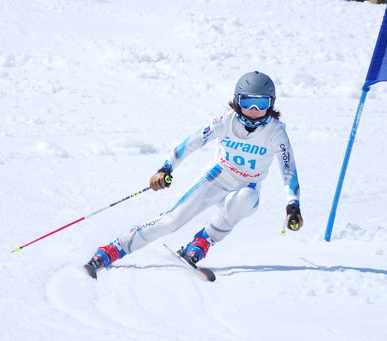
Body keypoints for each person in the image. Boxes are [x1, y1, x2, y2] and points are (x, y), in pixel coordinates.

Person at [84, 71, 303, 278]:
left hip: (248, 186)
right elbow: (190, 144)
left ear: (271, 103)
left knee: (247, 199)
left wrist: (293, 205)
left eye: (261, 103)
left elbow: (288, 168)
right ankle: (115, 248)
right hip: (217, 178)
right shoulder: (226, 121)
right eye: (247, 102)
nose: (254, 109)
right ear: (237, 101)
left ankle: (202, 242)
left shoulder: (275, 131)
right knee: (172, 221)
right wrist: (166, 168)